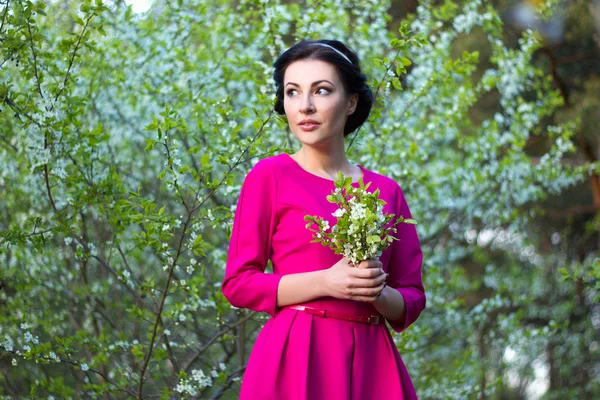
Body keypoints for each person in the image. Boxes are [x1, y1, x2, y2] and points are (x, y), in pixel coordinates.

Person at [221, 39, 426, 400]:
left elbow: (411, 299)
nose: (305, 106)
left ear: (351, 102)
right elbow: (239, 283)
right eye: (292, 92)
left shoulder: (386, 191)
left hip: (371, 364)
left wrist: (376, 292)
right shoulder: (270, 176)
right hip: (295, 357)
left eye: (322, 90)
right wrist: (328, 282)